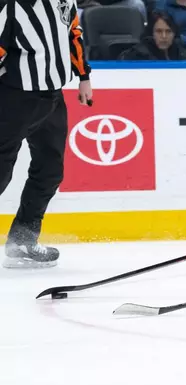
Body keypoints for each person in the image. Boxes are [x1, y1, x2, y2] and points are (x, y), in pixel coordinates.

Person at [0, 0, 93, 268]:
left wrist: (84, 76)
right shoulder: (12, 5)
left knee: (51, 168)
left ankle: (22, 240)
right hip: (16, 96)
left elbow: (72, 34)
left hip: (52, 95)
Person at [119, 11, 186, 60]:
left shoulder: (179, 52)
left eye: (168, 31)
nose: (164, 36)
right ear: (151, 33)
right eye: (159, 31)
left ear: (174, 34)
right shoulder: (138, 55)